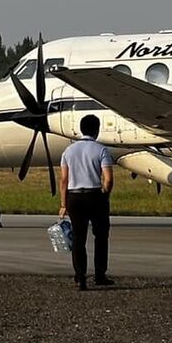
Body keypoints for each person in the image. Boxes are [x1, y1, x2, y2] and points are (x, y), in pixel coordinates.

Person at [58, 114, 116, 290]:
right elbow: (108, 178)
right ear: (96, 130)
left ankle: (80, 276)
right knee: (100, 236)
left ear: (81, 129)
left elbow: (63, 179)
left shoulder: (68, 151)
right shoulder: (101, 150)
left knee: (78, 238)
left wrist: (63, 204)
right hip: (95, 195)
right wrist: (105, 194)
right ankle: (100, 275)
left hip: (74, 197)